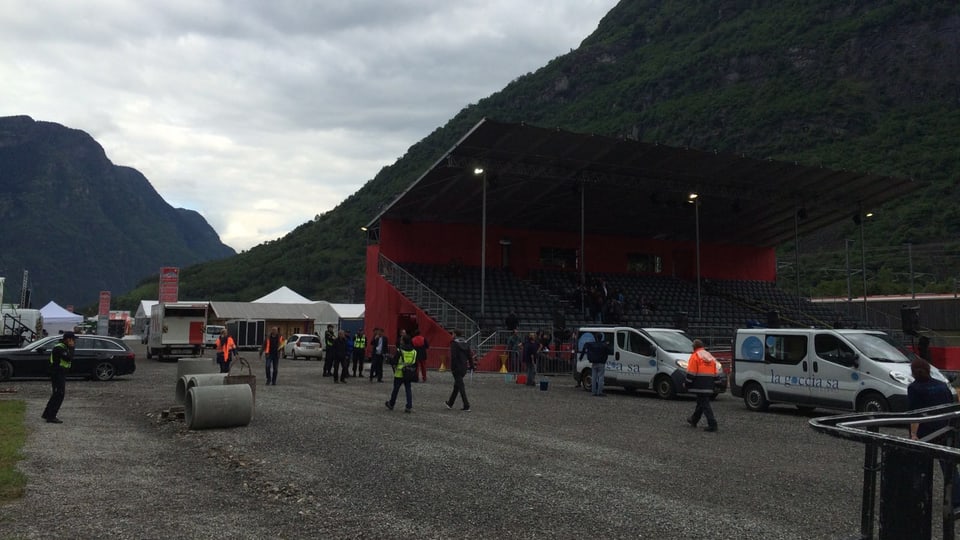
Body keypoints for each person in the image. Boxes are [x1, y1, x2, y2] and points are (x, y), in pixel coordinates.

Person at [907, 357, 960, 506]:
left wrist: (913, 434)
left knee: (920, 465)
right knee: (949, 466)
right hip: (946, 430)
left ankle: (920, 495)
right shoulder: (942, 385)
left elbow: (916, 413)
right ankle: (956, 499)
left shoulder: (914, 388)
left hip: (926, 433)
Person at [41, 331, 76, 423]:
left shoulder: (64, 347)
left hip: (60, 373)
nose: (74, 342)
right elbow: (68, 358)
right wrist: (72, 348)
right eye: (73, 340)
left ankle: (47, 414)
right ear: (68, 340)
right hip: (57, 373)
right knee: (59, 394)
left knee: (56, 394)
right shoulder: (59, 348)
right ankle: (51, 416)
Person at [685, 339, 719, 432]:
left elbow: (691, 373)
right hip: (709, 384)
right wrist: (717, 383)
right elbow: (716, 372)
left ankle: (712, 424)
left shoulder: (695, 356)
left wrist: (687, 383)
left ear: (694, 347)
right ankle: (694, 419)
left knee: (704, 404)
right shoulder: (709, 356)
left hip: (699, 384)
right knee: (701, 402)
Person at [445, 329, 475, 411]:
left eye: (452, 333)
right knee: (457, 386)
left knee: (461, 386)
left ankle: (466, 405)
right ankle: (450, 403)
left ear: (455, 334)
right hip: (464, 367)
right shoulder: (465, 343)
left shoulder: (454, 344)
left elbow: (453, 357)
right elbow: (470, 355)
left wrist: (453, 368)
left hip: (456, 367)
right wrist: (472, 366)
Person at [385, 335, 416, 413]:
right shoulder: (414, 351)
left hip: (399, 373)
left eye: (401, 340)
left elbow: (395, 362)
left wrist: (390, 359)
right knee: (408, 389)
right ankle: (409, 406)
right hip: (409, 372)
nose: (400, 341)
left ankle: (391, 404)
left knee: (396, 389)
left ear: (404, 341)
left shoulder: (400, 350)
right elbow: (414, 362)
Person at [580, 332, 610, 397]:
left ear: (596, 338)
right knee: (601, 378)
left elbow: (585, 346)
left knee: (594, 377)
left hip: (594, 362)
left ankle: (593, 391)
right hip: (601, 363)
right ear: (601, 338)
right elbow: (608, 351)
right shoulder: (604, 345)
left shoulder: (592, 344)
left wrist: (581, 357)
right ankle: (599, 392)